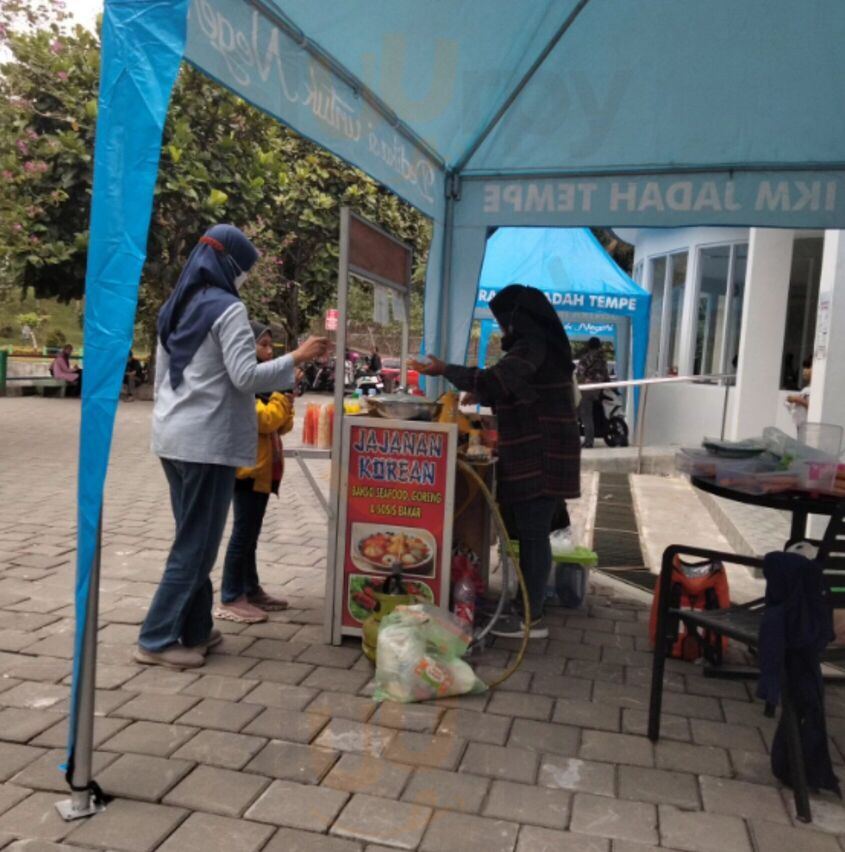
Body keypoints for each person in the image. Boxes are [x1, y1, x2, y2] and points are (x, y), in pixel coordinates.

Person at [136, 224, 328, 669]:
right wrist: (296, 358)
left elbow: (167, 379)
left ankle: (196, 629)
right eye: (244, 269)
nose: (243, 277)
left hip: (173, 437)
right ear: (229, 265)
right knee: (197, 546)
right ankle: (157, 637)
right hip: (206, 443)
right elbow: (246, 377)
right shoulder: (228, 310)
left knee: (194, 537)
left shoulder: (175, 307)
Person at [410, 284, 581, 639]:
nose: (503, 329)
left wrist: (446, 369)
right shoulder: (540, 347)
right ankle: (526, 606)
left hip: (541, 452)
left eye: (504, 321)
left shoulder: (533, 346)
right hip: (541, 449)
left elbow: (500, 379)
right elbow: (519, 389)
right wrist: (486, 390)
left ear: (518, 318)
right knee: (530, 531)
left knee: (533, 534)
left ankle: (531, 618)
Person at [215, 322, 295, 623]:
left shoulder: (265, 384)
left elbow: (283, 425)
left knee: (251, 535)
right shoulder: (242, 381)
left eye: (270, 346)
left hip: (264, 469)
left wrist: (285, 398)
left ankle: (250, 587)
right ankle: (230, 596)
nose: (268, 351)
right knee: (242, 534)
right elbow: (264, 421)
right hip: (246, 469)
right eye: (262, 345)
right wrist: (280, 397)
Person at [576, 336, 610, 448]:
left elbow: (579, 373)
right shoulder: (603, 359)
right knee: (588, 414)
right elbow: (606, 375)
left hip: (586, 389)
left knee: (585, 415)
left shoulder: (586, 358)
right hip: (597, 390)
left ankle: (588, 441)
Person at [787, 355, 813, 434]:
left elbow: (814, 407)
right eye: (804, 368)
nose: (804, 371)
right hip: (801, 427)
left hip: (810, 429)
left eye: (808, 367)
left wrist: (797, 399)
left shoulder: (816, 390)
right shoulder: (806, 389)